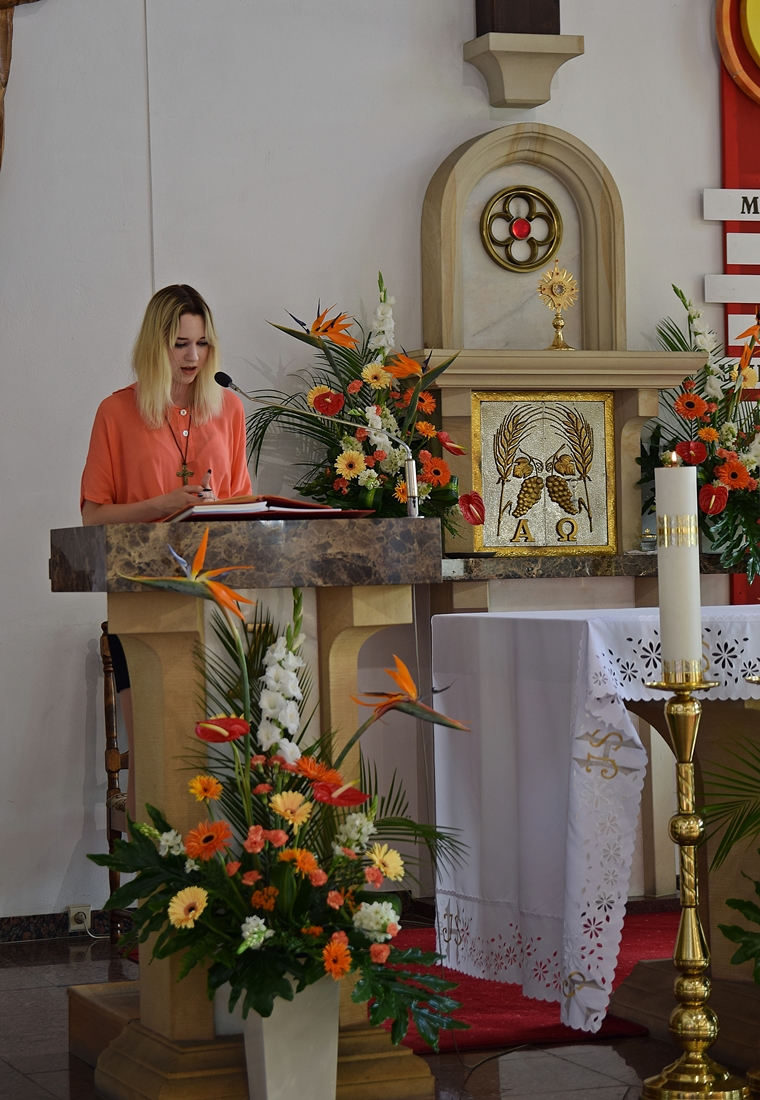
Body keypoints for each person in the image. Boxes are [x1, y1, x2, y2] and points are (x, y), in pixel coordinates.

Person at [81, 284, 252, 815]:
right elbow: (93, 516)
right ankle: (152, 868)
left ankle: (220, 865)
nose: (193, 357)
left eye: (202, 344)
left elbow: (244, 506)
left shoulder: (228, 408)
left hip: (216, 599)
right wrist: (165, 504)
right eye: (180, 344)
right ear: (156, 346)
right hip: (143, 600)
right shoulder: (116, 412)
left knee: (219, 759)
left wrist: (219, 507)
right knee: (154, 756)